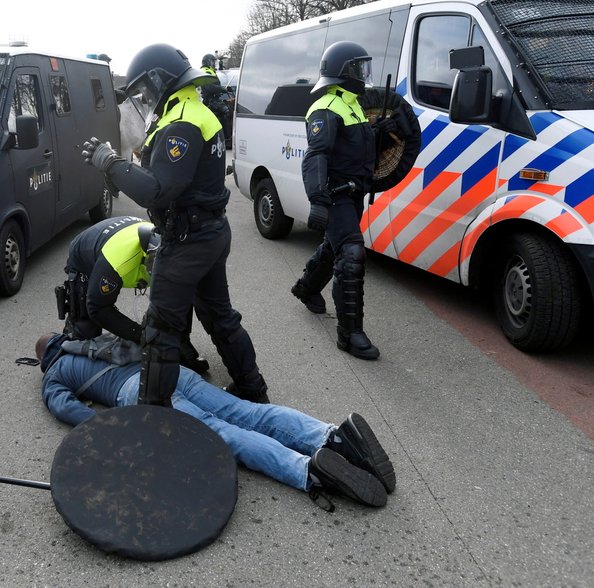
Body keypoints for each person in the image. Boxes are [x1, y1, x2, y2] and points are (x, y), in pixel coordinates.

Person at [81, 43, 269, 406]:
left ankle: (153, 411)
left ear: (157, 81)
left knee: (161, 330)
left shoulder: (180, 123)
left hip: (186, 241)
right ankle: (252, 387)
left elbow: (156, 191)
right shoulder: (194, 110)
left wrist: (110, 163)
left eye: (143, 90)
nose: (142, 97)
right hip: (208, 232)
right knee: (219, 316)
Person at [36, 332, 396, 507]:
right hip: (170, 372)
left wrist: (104, 425)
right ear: (60, 338)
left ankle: (307, 470)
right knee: (249, 412)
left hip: (139, 394)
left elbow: (64, 407)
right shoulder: (87, 340)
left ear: (42, 359)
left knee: (225, 434)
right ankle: (331, 435)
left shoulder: (55, 371)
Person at [291, 41, 387, 361]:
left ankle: (306, 287)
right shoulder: (324, 107)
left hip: (354, 192)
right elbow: (316, 155)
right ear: (345, 71)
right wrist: (318, 200)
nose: (364, 73)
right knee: (351, 253)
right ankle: (350, 334)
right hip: (335, 194)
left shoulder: (352, 104)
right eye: (360, 67)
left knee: (334, 247)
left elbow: (356, 148)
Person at [59, 215, 209, 373]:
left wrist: (178, 340)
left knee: (181, 294)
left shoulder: (179, 254)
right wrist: (141, 336)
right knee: (87, 333)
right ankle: (71, 336)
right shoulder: (118, 261)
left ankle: (181, 345)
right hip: (88, 252)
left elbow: (182, 297)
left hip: (126, 233)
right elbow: (98, 308)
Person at [198, 53, 234, 148]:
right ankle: (227, 140)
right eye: (213, 62)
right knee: (226, 112)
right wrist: (221, 89)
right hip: (209, 101)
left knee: (228, 110)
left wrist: (227, 89)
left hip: (214, 99)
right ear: (208, 62)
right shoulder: (205, 71)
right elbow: (208, 87)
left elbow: (215, 86)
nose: (215, 64)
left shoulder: (210, 71)